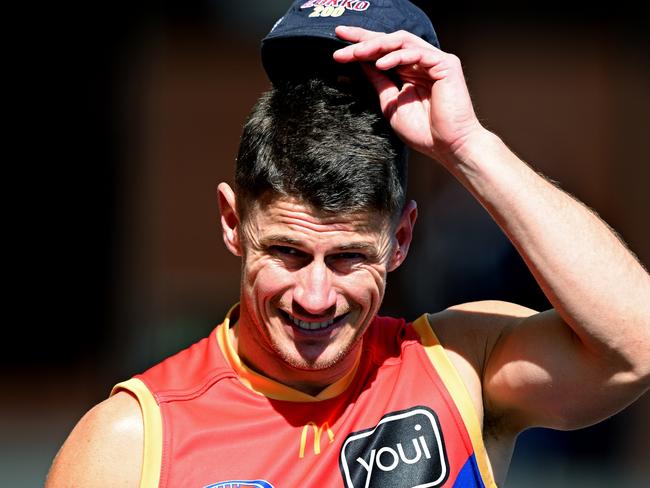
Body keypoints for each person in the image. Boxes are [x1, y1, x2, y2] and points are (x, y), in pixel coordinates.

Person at [46, 2, 650, 487]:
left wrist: (469, 146)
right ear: (233, 223)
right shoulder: (132, 443)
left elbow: (636, 343)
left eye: (349, 258)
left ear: (401, 239)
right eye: (286, 253)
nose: (315, 297)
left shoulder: (463, 364)